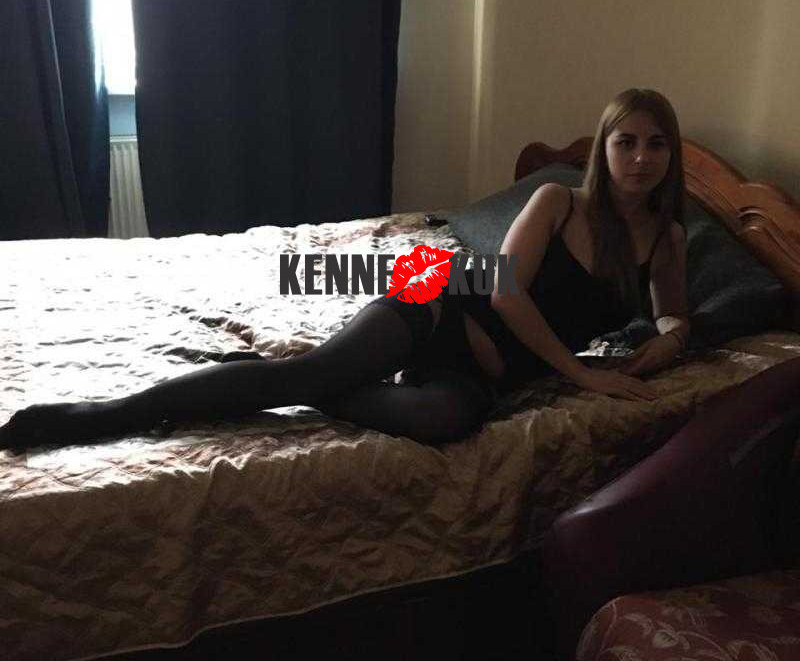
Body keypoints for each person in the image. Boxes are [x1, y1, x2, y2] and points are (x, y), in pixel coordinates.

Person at [0, 88, 689, 451]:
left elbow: (674, 316)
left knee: (443, 419)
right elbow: (504, 291)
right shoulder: (556, 199)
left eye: (656, 144)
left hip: (497, 371)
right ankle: (103, 414)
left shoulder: (666, 239)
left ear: (670, 155)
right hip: (446, 291)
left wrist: (671, 338)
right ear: (603, 149)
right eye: (625, 141)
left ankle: (316, 383)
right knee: (303, 375)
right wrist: (584, 375)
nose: (640, 157)